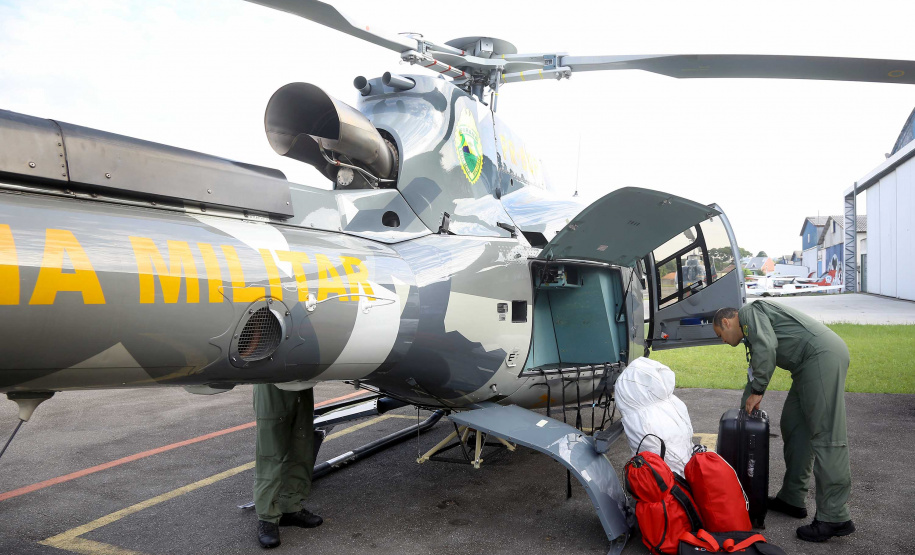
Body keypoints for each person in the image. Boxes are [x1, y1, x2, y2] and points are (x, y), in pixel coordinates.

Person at [712, 301, 854, 543]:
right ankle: (792, 498)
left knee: (827, 435)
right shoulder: (750, 327)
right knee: (795, 426)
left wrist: (759, 390)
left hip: (821, 356)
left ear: (727, 322)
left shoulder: (748, 313)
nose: (723, 341)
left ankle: (835, 516)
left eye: (720, 335)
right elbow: (758, 364)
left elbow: (767, 348)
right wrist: (742, 415)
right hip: (805, 366)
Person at [254, 384, 323, 548]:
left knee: (300, 447)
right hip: (272, 379)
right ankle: (267, 518)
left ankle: (290, 506)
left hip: (302, 381)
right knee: (270, 452)